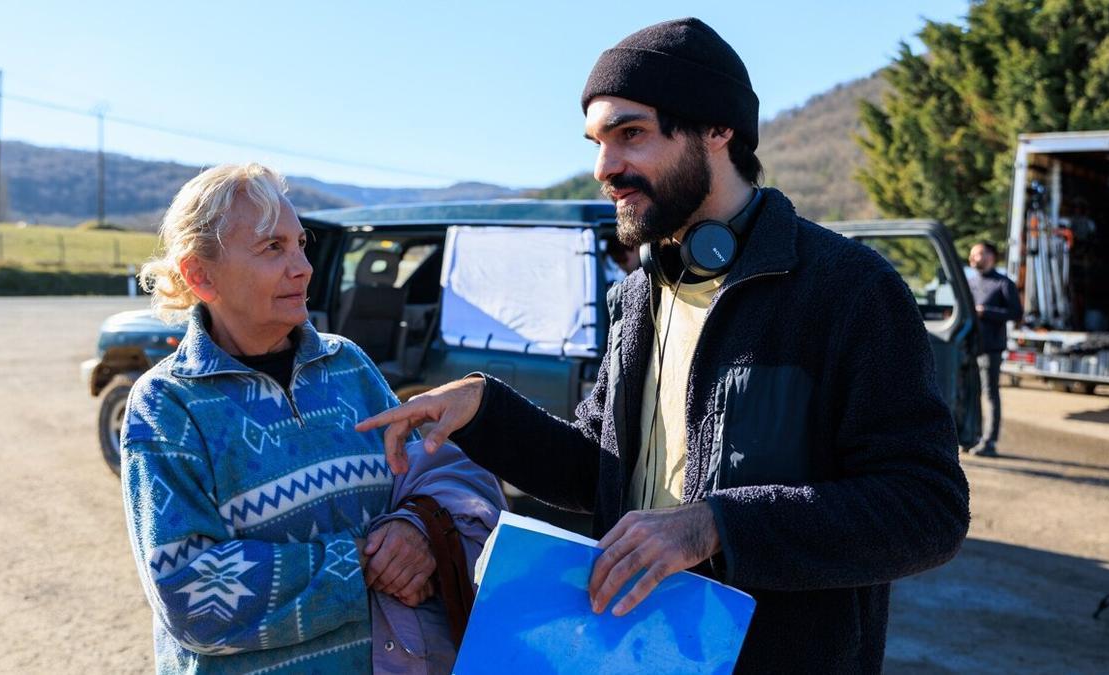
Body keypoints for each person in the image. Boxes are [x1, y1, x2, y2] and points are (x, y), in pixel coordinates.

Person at [358, 18, 969, 673]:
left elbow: (927, 505)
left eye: (631, 134)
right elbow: (597, 469)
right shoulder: (639, 293)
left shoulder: (849, 290)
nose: (604, 167)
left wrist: (715, 526)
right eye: (597, 141)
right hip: (636, 650)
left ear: (717, 129)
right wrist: (485, 409)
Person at [122, 163, 503, 673]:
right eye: (272, 248)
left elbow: (429, 471)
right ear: (200, 275)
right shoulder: (167, 405)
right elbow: (192, 598)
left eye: (300, 243)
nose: (302, 266)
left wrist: (414, 530)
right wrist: (361, 564)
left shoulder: (348, 365)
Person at [967, 241, 1023, 456]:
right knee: (972, 394)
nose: (973, 258)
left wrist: (986, 312)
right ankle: (972, 436)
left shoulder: (1003, 284)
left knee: (990, 394)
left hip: (991, 348)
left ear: (990, 256)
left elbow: (1016, 314)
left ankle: (989, 442)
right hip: (969, 348)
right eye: (972, 255)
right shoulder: (969, 283)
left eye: (978, 254)